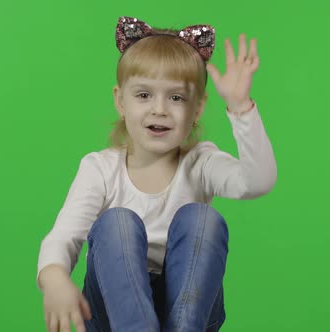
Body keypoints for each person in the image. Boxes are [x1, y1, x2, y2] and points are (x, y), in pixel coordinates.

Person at [37, 16, 278, 332]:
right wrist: (54, 277)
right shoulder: (100, 168)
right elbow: (64, 235)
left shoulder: (201, 163)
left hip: (187, 308)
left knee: (202, 219)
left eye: (176, 97)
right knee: (117, 222)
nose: (160, 109)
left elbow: (258, 182)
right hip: (113, 311)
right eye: (143, 95)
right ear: (120, 101)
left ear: (197, 109)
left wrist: (241, 107)